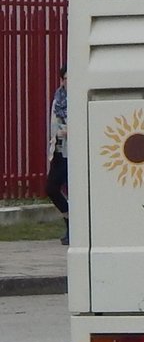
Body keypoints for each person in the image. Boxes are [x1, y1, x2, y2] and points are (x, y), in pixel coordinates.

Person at [45, 65, 68, 245]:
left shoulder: (80, 97)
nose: (68, 82)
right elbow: (55, 126)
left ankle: (73, 229)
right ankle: (70, 219)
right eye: (66, 78)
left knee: (76, 191)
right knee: (51, 188)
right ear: (61, 80)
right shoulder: (58, 99)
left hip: (75, 151)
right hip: (60, 149)